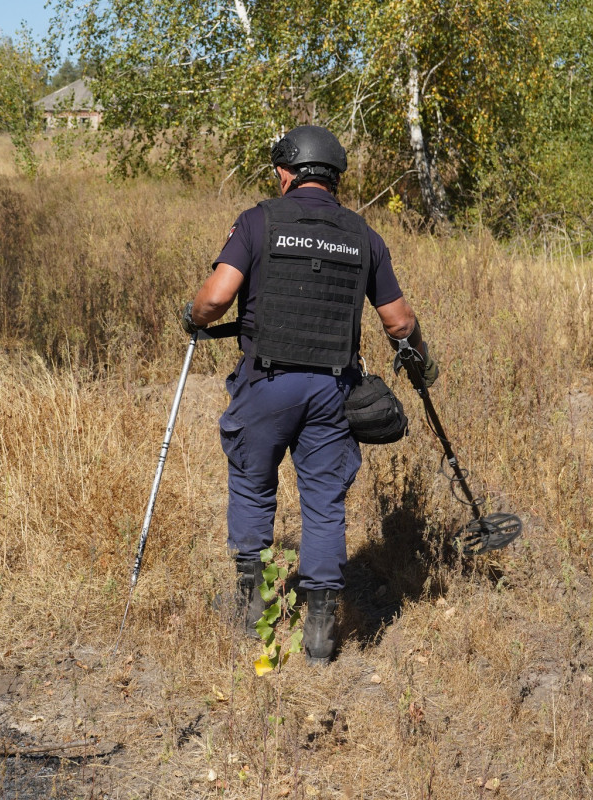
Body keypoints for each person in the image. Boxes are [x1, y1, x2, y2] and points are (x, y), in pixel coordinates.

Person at [180, 125, 438, 665]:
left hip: (267, 383)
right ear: (334, 176)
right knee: (324, 503)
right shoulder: (361, 234)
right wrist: (420, 357)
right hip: (332, 391)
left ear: (285, 172)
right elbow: (399, 320)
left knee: (253, 488)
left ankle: (254, 611)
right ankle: (321, 633)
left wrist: (194, 317)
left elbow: (216, 298)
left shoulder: (258, 221)